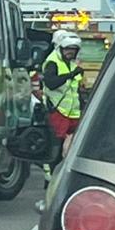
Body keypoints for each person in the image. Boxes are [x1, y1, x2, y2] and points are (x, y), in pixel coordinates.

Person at [42, 30, 84, 164]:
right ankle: (50, 177)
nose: (70, 52)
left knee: (72, 147)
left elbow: (75, 89)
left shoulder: (72, 64)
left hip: (73, 113)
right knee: (56, 148)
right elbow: (51, 83)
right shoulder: (52, 62)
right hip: (58, 111)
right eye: (67, 49)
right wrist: (70, 75)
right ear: (60, 48)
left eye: (73, 50)